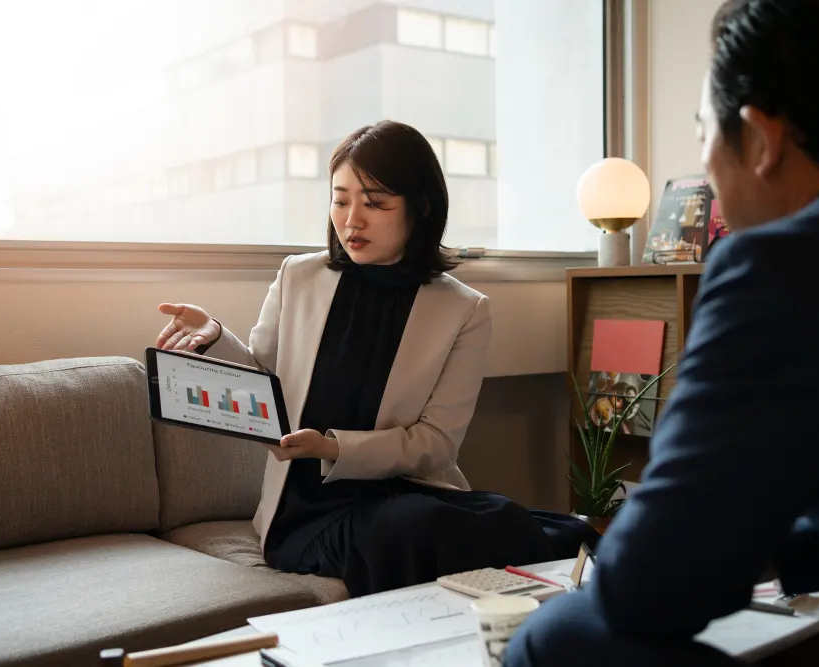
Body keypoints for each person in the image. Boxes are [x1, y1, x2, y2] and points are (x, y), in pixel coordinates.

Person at [504, 0, 819, 665]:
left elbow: (642, 589)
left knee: (553, 636)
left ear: (762, 138)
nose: (705, 164)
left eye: (702, 131)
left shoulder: (788, 267)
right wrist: (769, 545)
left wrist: (680, 543)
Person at [154, 120, 598, 597]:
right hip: (307, 510)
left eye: (375, 203)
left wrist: (334, 447)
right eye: (340, 199)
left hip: (408, 489)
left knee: (499, 518)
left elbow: (435, 444)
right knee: (408, 529)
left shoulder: (462, 309)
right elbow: (264, 384)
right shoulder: (298, 276)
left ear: (420, 207)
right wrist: (214, 336)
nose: (352, 220)